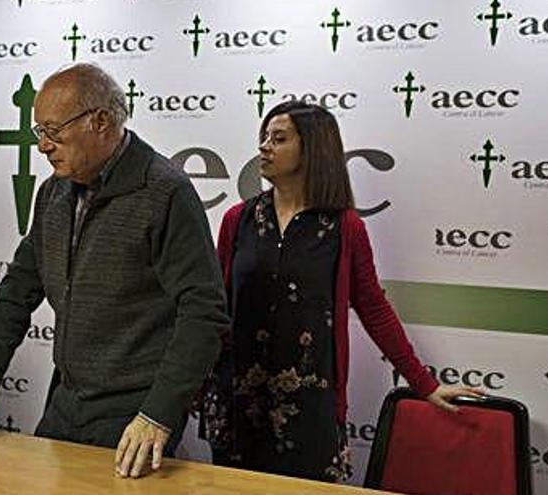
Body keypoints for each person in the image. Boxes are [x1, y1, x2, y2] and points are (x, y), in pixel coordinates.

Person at [0, 63, 229, 478]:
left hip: (133, 413)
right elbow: (20, 286)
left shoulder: (165, 191)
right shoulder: (54, 191)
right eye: (39, 132)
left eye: (52, 132)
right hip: (64, 401)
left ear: (100, 121)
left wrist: (159, 414)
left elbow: (203, 313)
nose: (42, 146)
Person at [199, 101, 482, 482]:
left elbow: (373, 308)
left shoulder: (344, 227)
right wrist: (190, 385)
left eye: (278, 138)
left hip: (310, 408)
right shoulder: (239, 219)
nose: (264, 147)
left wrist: (424, 384)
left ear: (313, 148)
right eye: (263, 137)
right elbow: (212, 308)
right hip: (236, 402)